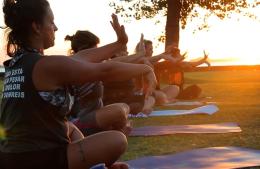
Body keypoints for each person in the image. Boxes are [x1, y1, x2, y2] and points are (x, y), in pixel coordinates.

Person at [0, 0, 157, 169]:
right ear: (36, 27)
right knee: (117, 140)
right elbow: (105, 71)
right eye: (51, 22)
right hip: (36, 159)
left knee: (70, 128)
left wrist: (119, 43)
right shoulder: (44, 66)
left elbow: (81, 58)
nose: (56, 28)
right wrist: (145, 69)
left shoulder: (21, 63)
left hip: (13, 158)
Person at [65, 30, 133, 136]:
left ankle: (113, 130)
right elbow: (115, 64)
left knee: (124, 107)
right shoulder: (76, 68)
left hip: (94, 116)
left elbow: (120, 61)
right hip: (77, 123)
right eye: (96, 49)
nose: (99, 53)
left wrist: (145, 64)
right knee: (118, 111)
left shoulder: (93, 65)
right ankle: (116, 131)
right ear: (85, 51)